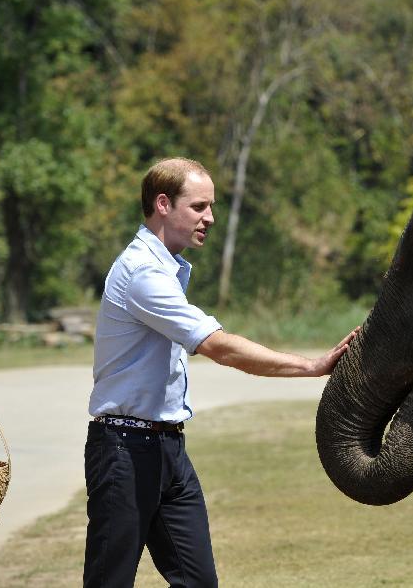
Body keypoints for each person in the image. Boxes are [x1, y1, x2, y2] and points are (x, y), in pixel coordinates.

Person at [84, 157, 358, 587]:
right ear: (162, 204)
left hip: (167, 449)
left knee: (199, 581)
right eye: (198, 207)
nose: (210, 217)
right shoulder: (142, 273)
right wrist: (311, 365)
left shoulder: (166, 270)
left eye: (210, 207)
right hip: (123, 451)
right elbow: (220, 348)